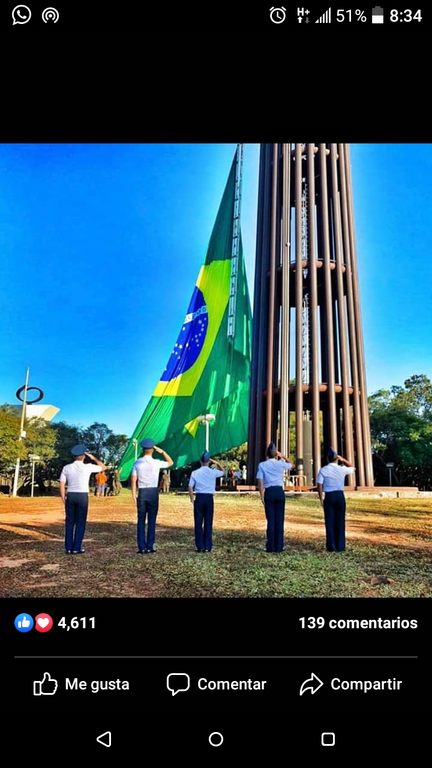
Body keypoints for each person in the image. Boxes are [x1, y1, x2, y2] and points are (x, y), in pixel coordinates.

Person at [59, 444, 106, 554]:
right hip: (82, 495)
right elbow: (103, 467)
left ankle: (68, 547)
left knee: (69, 522)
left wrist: (63, 498)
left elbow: (61, 484)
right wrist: (93, 457)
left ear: (73, 456)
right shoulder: (88, 467)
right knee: (81, 522)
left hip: (70, 494)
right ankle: (77, 547)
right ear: (84, 456)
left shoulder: (66, 468)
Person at [130, 439, 173, 554]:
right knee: (152, 520)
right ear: (152, 450)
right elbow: (170, 462)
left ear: (142, 449)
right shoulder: (156, 462)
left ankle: (141, 547)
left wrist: (134, 495)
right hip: (153, 492)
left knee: (141, 520)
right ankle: (150, 546)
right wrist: (162, 451)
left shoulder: (137, 462)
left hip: (142, 492)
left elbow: (133, 480)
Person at [256, 443, 295, 553]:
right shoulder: (280, 463)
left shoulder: (262, 465)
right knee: (280, 519)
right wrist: (283, 456)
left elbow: (260, 480)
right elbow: (293, 465)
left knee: (271, 519)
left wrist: (261, 495)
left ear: (266, 454)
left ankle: (271, 546)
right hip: (279, 491)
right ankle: (279, 546)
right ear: (275, 454)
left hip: (269, 491)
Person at [316, 448, 354, 552]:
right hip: (339, 495)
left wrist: (321, 498)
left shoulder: (323, 470)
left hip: (329, 496)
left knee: (329, 521)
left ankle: (331, 546)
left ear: (327, 459)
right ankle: (340, 545)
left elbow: (319, 485)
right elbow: (352, 467)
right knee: (340, 520)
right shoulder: (341, 469)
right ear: (336, 459)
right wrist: (343, 460)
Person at [188, 451, 225, 552]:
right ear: (209, 461)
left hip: (199, 497)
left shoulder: (195, 472)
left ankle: (200, 546)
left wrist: (192, 499)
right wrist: (217, 463)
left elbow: (190, 487)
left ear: (200, 461)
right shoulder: (213, 472)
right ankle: (208, 546)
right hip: (209, 498)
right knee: (208, 522)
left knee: (198, 522)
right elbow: (224, 472)